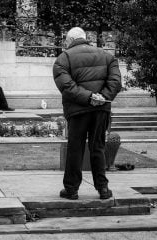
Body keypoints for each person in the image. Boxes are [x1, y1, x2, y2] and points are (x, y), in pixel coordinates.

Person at [53, 27, 122, 200]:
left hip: (77, 110)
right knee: (98, 147)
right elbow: (115, 82)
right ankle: (103, 189)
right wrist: (101, 98)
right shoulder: (107, 56)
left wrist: (90, 97)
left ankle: (71, 189)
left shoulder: (63, 58)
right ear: (85, 38)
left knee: (75, 149)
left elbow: (67, 87)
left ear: (69, 41)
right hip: (100, 110)